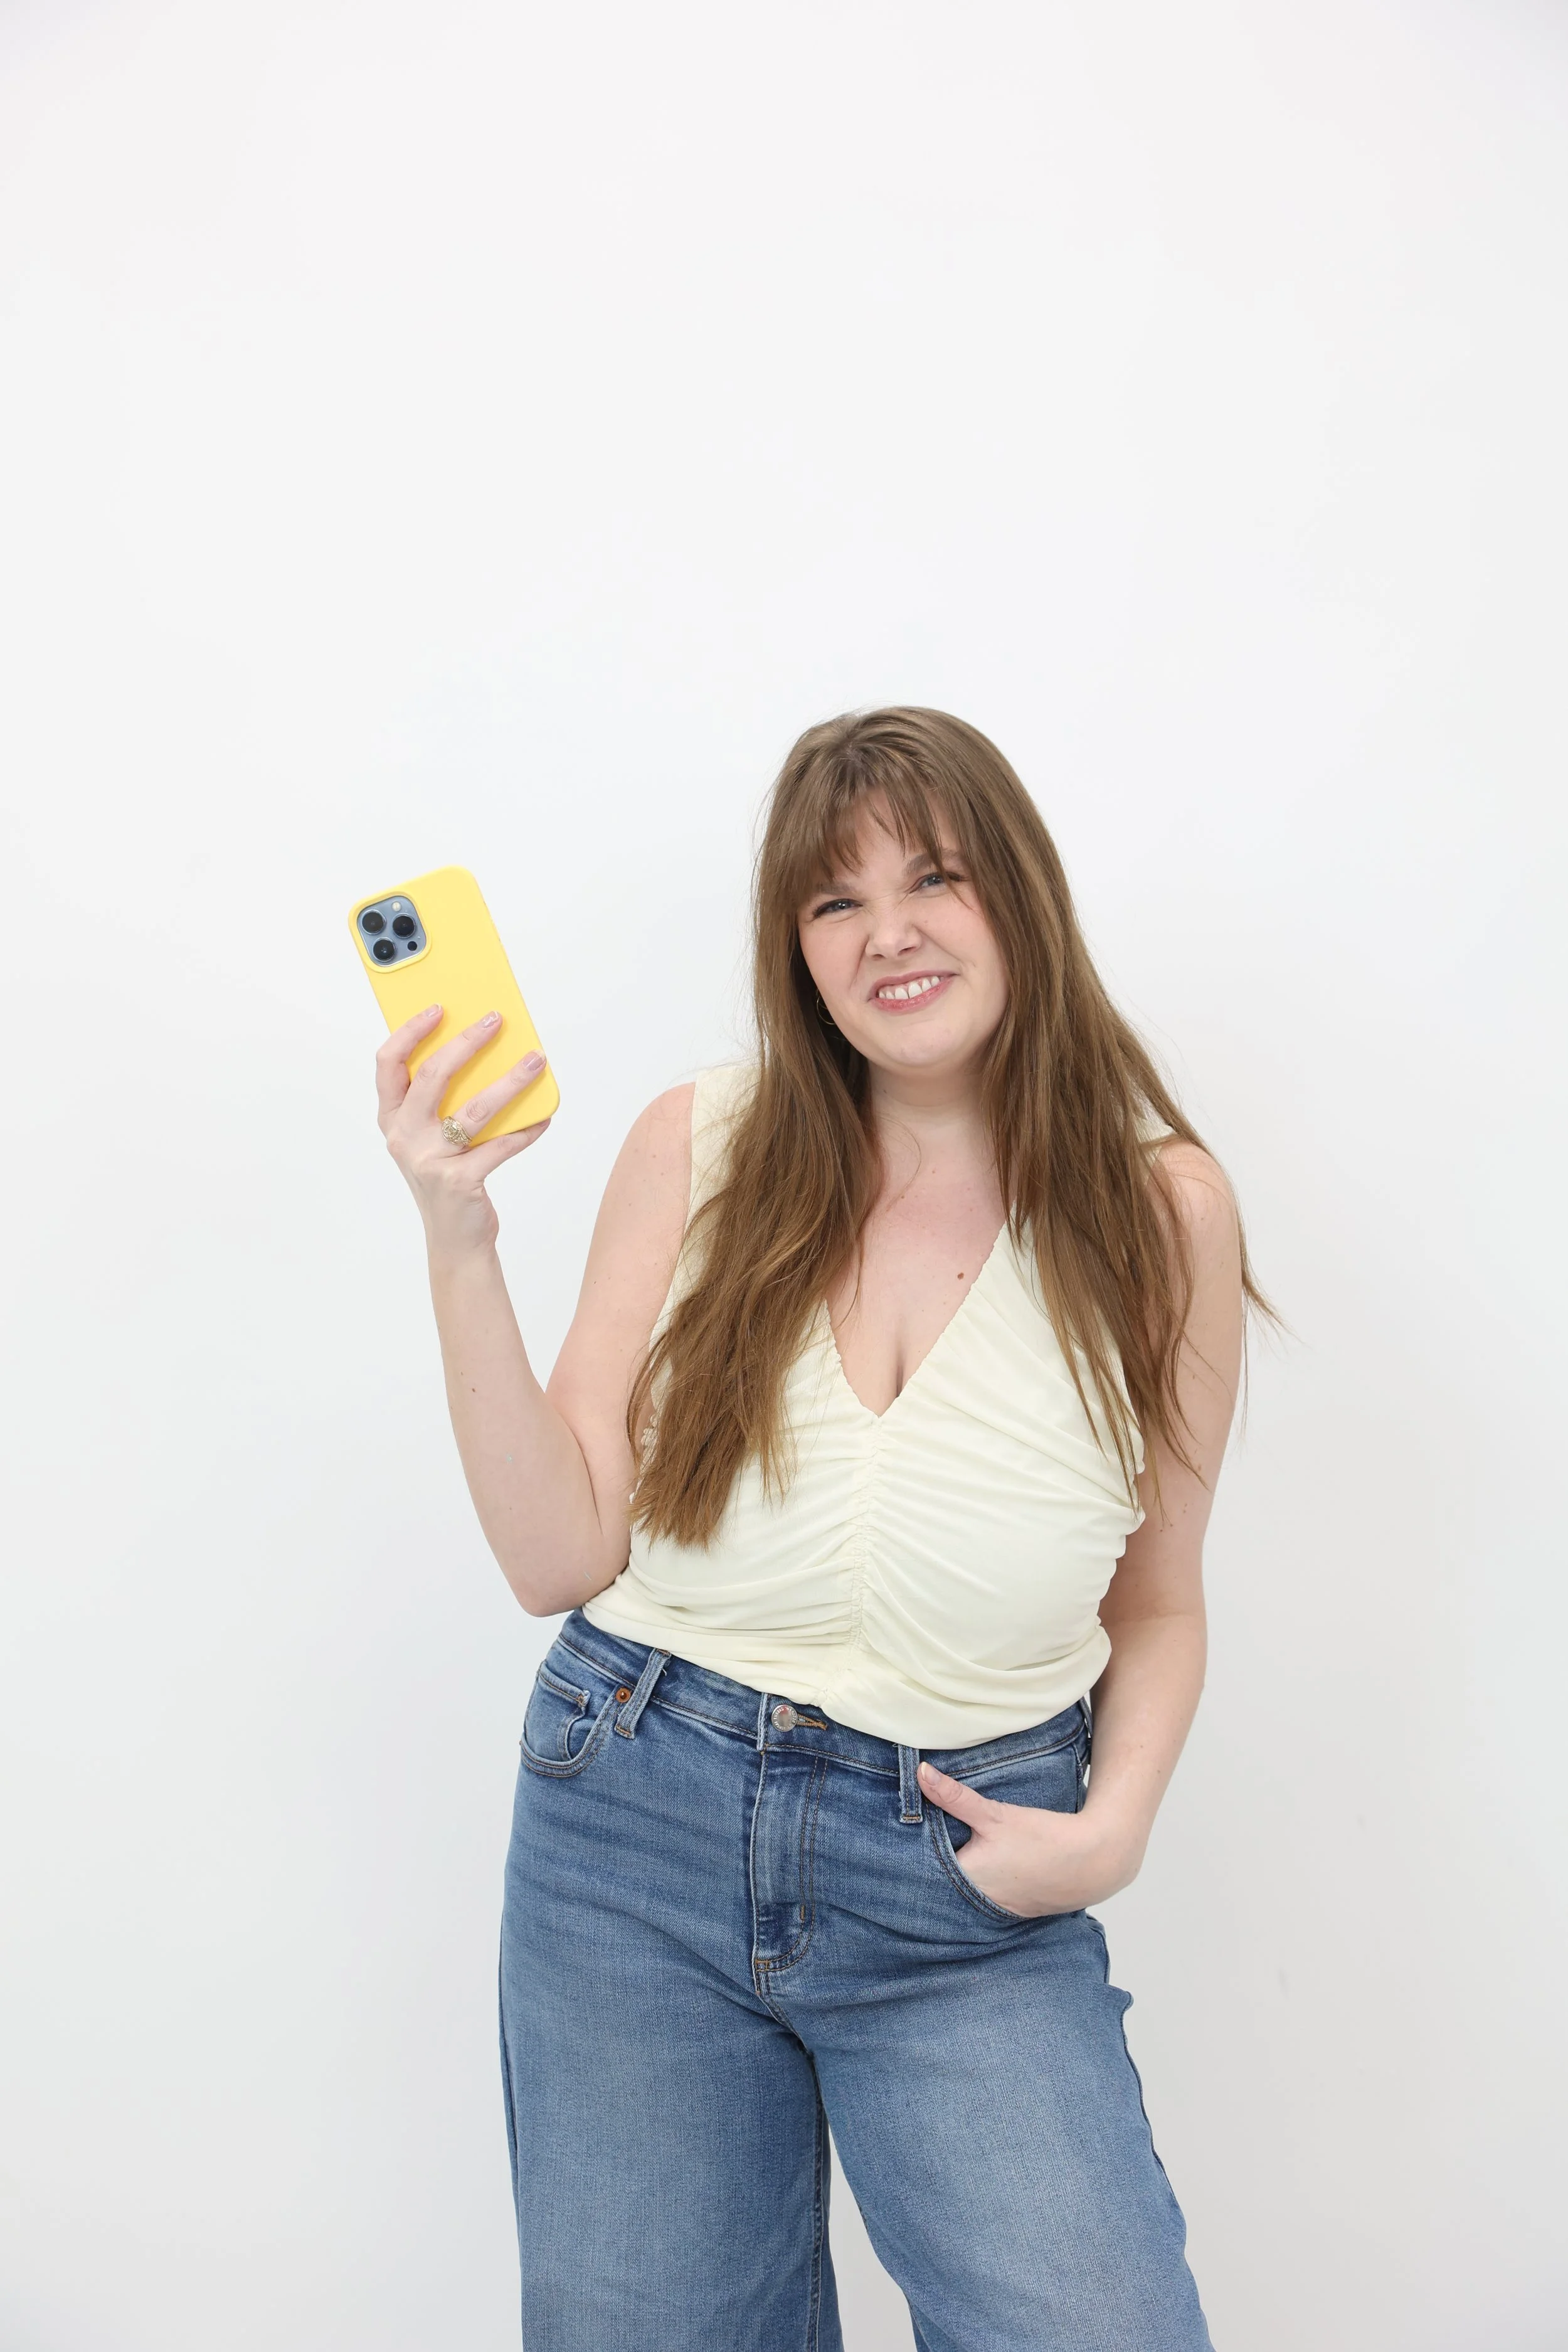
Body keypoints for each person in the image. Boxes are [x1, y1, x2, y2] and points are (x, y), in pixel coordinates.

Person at [373, 707, 1263, 2351]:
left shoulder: (1161, 1216)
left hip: (962, 1874)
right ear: (795, 946)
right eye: (833, 898)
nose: (889, 930)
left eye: (934, 875)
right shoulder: (698, 1145)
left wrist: (1114, 1821)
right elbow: (552, 1554)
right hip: (631, 1825)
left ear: (1021, 898)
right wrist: (458, 1234)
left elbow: (1160, 1602)